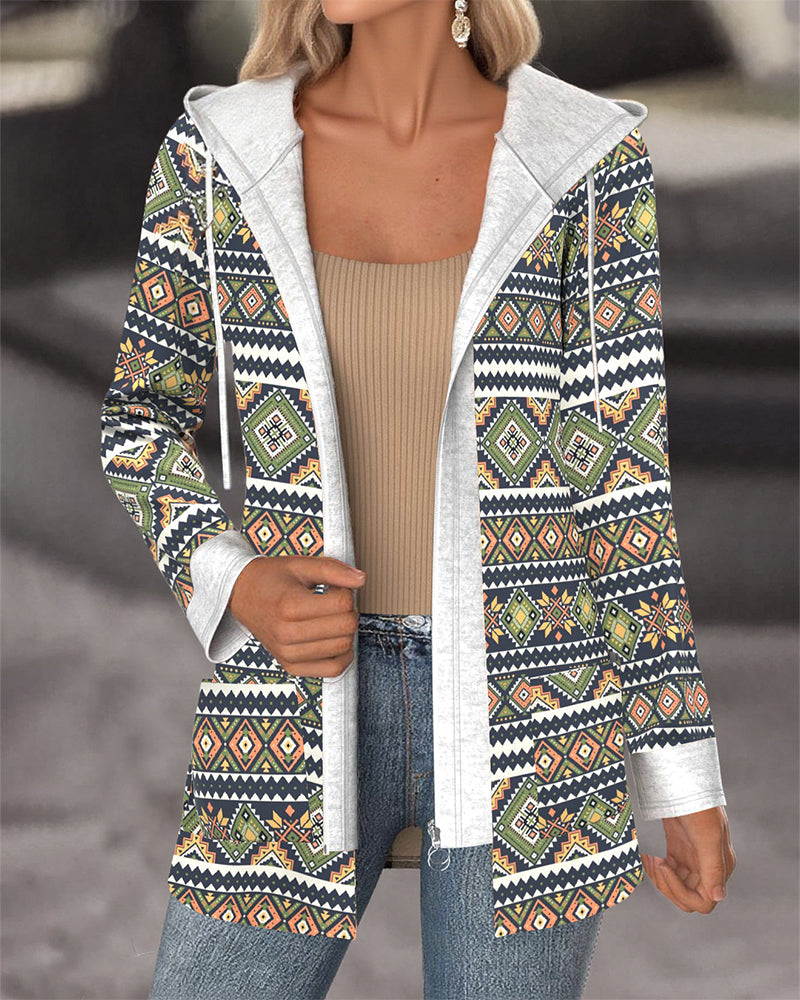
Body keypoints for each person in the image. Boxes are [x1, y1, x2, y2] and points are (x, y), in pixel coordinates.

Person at [99, 1, 736, 997]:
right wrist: (236, 582)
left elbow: (623, 484)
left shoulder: (583, 158)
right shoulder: (219, 151)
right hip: (289, 703)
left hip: (537, 712)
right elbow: (140, 418)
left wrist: (679, 768)